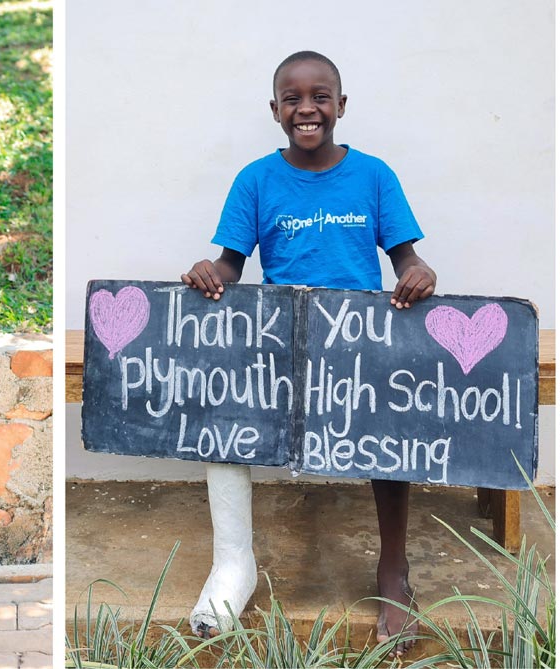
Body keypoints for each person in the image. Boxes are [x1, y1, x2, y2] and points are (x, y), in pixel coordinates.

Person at [181, 50, 437, 655]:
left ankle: (393, 569)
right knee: (223, 410)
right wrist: (209, 271)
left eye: (320, 96)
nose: (307, 109)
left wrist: (419, 271)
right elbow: (231, 264)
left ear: (341, 105)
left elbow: (406, 258)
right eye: (292, 99)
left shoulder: (374, 176)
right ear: (274, 110)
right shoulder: (256, 180)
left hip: (357, 344)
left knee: (390, 428)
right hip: (283, 346)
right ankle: (233, 562)